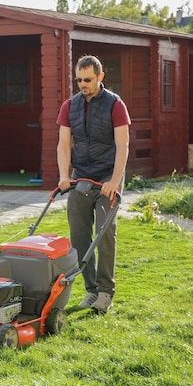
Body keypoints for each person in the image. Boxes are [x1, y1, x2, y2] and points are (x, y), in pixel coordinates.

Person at [56, 55, 131, 313]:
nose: (82, 84)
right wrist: (64, 176)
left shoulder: (115, 104)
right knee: (78, 235)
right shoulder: (69, 106)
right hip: (81, 177)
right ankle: (90, 290)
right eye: (78, 79)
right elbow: (64, 144)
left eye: (87, 79)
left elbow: (123, 145)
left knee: (105, 233)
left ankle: (105, 292)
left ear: (100, 77)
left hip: (108, 177)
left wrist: (114, 180)